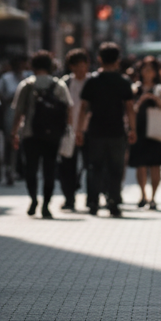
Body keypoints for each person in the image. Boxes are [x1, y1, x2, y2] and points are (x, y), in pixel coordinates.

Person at [76, 42, 136, 217]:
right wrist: (133, 130)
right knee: (115, 168)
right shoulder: (124, 82)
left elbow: (83, 108)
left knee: (95, 167)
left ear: (99, 59)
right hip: (117, 131)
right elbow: (130, 108)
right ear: (118, 60)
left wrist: (79, 131)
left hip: (95, 131)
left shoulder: (92, 81)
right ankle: (114, 202)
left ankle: (93, 202)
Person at [10, 50, 72, 219]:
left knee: (31, 169)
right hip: (53, 135)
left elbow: (19, 113)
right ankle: (46, 205)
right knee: (49, 170)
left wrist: (14, 133)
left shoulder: (27, 84)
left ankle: (33, 200)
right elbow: (68, 109)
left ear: (33, 65)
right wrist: (68, 131)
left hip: (30, 133)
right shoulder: (59, 85)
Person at [127, 56, 161, 209]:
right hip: (139, 129)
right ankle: (143, 195)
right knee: (140, 164)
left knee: (155, 165)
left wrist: (153, 98)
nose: (147, 72)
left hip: (156, 131)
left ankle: (153, 197)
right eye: (144, 68)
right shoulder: (135, 88)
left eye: (150, 69)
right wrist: (141, 101)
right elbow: (130, 108)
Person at [57, 48, 91, 210]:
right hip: (68, 131)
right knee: (67, 166)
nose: (80, 69)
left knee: (89, 164)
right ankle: (69, 198)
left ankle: (92, 198)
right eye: (76, 65)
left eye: (82, 65)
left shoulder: (93, 82)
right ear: (71, 66)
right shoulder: (65, 83)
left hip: (89, 131)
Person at [0, 58, 20, 186]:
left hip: (22, 116)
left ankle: (15, 170)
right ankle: (7, 171)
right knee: (8, 143)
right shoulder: (5, 79)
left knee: (17, 145)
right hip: (9, 113)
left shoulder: (27, 77)